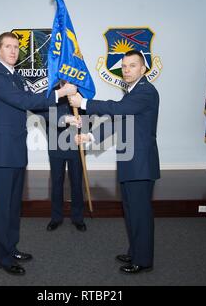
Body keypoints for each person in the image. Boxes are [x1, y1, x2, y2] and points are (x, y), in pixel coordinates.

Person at [0, 32, 76, 275]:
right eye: (8, 47)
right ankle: (3, 259)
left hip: (16, 152)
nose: (13, 51)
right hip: (0, 154)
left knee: (14, 207)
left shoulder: (17, 77)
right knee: (2, 208)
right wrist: (61, 93)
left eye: (16, 47)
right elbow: (25, 101)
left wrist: (63, 117)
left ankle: (11, 248)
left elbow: (35, 109)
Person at [69, 50, 160, 274]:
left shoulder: (146, 91)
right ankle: (135, 252)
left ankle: (144, 260)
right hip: (131, 162)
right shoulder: (131, 92)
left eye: (132, 65)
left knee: (140, 214)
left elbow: (118, 109)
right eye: (125, 66)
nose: (127, 70)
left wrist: (84, 103)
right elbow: (117, 122)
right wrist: (90, 137)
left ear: (143, 69)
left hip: (140, 164)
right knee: (131, 212)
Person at [35, 97, 86, 232]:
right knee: (57, 183)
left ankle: (78, 218)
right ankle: (56, 218)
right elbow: (41, 113)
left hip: (76, 144)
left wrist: (84, 124)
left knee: (76, 183)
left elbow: (88, 115)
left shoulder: (80, 94)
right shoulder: (52, 95)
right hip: (55, 144)